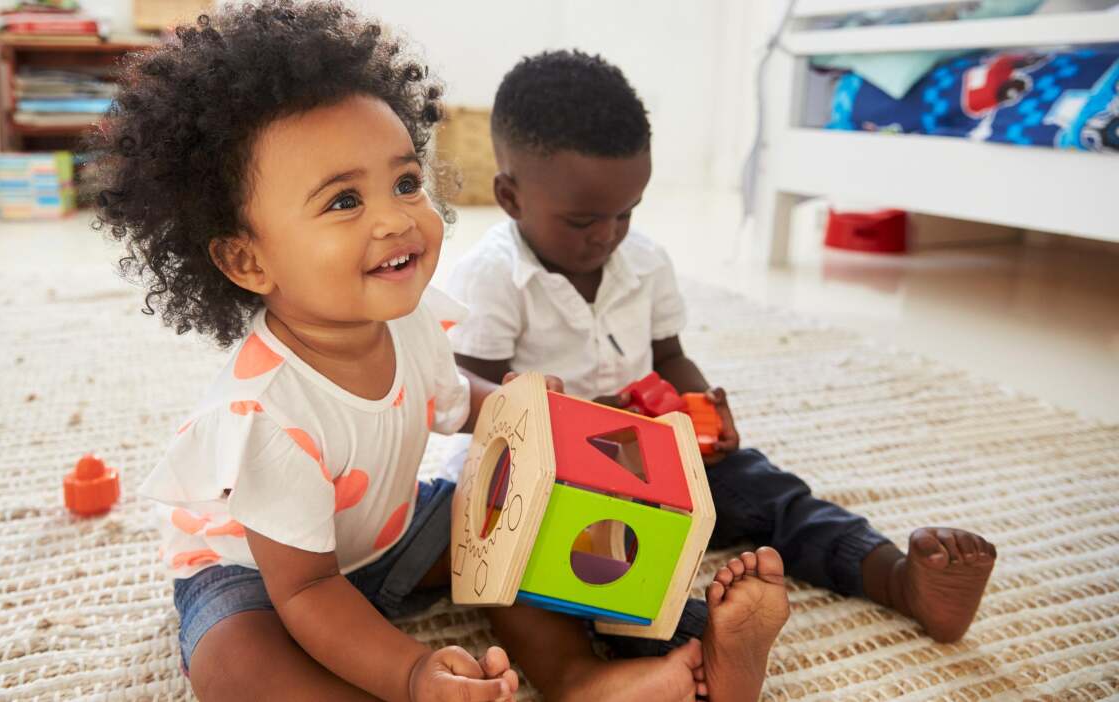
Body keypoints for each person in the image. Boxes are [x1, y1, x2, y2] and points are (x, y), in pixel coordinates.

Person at [96, 5, 784, 701]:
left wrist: (538, 417)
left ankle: (602, 673)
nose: (396, 218)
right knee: (236, 664)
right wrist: (413, 671)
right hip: (263, 578)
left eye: (403, 183)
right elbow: (307, 589)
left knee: (525, 517)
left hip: (390, 535)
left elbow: (463, 406)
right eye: (342, 202)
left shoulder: (410, 324)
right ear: (246, 260)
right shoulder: (264, 419)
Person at [446, 48, 996, 697]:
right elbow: (474, 403)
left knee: (770, 492)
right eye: (583, 220)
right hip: (559, 481)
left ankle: (898, 577)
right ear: (509, 196)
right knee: (609, 573)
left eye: (627, 211)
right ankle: (709, 651)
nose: (608, 235)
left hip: (653, 448)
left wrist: (701, 405)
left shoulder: (643, 262)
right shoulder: (492, 277)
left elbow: (670, 354)